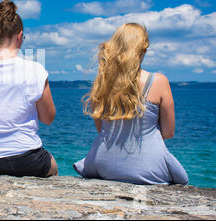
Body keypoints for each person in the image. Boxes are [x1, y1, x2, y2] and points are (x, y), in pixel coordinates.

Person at [73, 23, 188, 185]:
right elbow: (168, 132)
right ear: (143, 50)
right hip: (148, 166)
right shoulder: (159, 81)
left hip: (102, 163)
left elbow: (101, 129)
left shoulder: (103, 82)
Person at [0, 0, 58, 178]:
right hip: (26, 157)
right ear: (20, 35)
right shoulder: (34, 70)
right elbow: (48, 118)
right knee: (53, 165)